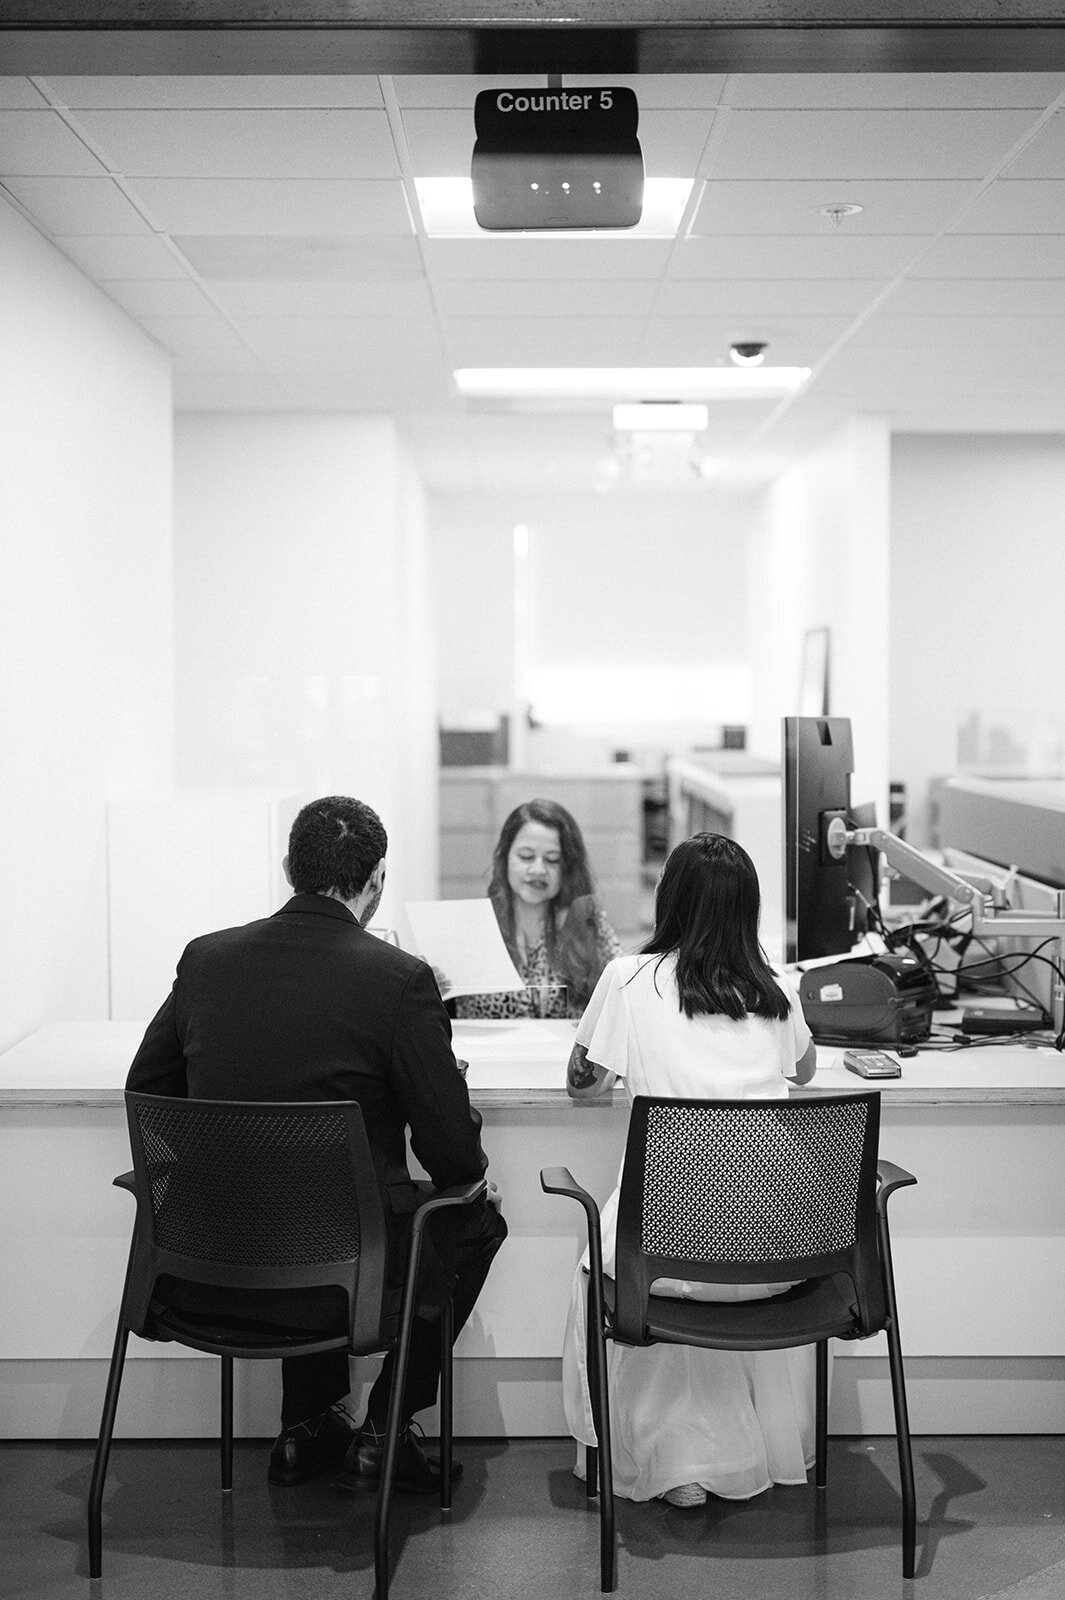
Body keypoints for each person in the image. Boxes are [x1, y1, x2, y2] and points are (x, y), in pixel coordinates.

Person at [126, 795, 507, 1493]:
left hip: (206, 1261)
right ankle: (386, 1430)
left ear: (287, 868)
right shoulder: (398, 981)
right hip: (341, 1275)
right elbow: (453, 1157)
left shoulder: (206, 960)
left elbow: (147, 1087)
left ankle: (306, 1427)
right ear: (376, 882)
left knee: (304, 1201)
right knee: (472, 1217)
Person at [561, 832, 817, 1509]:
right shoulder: (777, 990)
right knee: (688, 1245)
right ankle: (717, 1455)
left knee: (618, 1251)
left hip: (660, 1261)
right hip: (774, 1258)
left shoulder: (628, 980)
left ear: (667, 901)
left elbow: (581, 1083)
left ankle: (670, 1463)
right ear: (748, 911)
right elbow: (805, 1069)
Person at [454, 798, 622, 1020]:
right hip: (487, 1054)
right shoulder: (474, 927)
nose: (538, 869)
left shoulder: (586, 922)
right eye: (526, 857)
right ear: (504, 859)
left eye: (552, 860)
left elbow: (626, 992)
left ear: (568, 868)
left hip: (563, 1054)